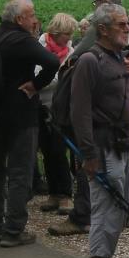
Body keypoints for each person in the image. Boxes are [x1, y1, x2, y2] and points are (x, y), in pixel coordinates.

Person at [48, 0, 129, 237]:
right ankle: (127, 211)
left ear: (104, 2)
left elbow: (75, 61)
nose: (94, 8)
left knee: (91, 163)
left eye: (95, 3)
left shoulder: (105, 31)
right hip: (118, 111)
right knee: (121, 160)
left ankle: (83, 215)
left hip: (100, 113)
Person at [69, 2, 129, 258]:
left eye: (128, 23)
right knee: (105, 212)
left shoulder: (119, 59)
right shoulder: (90, 61)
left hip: (122, 144)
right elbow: (80, 112)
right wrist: (89, 155)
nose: (128, 29)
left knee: (118, 210)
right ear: (102, 29)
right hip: (102, 148)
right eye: (121, 24)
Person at [0, 0, 62, 247]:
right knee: (20, 170)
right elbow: (52, 62)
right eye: (31, 15)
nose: (35, 20)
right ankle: (14, 229)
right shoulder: (21, 41)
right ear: (19, 19)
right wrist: (36, 85)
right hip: (20, 113)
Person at [35, 12, 78, 214]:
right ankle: (53, 192)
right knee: (47, 151)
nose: (69, 38)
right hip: (42, 105)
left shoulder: (71, 51)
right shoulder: (40, 47)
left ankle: (65, 194)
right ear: (56, 32)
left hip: (62, 107)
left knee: (59, 150)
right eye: (67, 34)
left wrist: (53, 78)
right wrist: (58, 78)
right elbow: (37, 77)